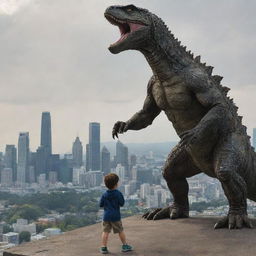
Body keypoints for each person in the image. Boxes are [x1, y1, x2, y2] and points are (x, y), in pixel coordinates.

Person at [99, 173, 133, 254]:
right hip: (115, 216)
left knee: (105, 231)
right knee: (120, 231)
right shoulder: (118, 193)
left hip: (106, 216)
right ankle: (125, 246)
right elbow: (122, 203)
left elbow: (101, 204)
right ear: (116, 184)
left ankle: (103, 247)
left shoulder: (104, 194)